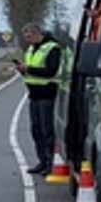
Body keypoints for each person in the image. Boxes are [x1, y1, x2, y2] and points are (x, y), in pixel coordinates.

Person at [12, 23, 63, 175]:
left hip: (47, 95)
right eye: (25, 36)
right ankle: (42, 161)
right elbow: (31, 72)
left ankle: (50, 163)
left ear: (37, 33)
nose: (27, 39)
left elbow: (51, 71)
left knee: (47, 131)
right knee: (36, 131)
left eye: (29, 36)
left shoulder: (52, 48)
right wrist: (23, 71)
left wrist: (29, 69)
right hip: (33, 95)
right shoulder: (31, 49)